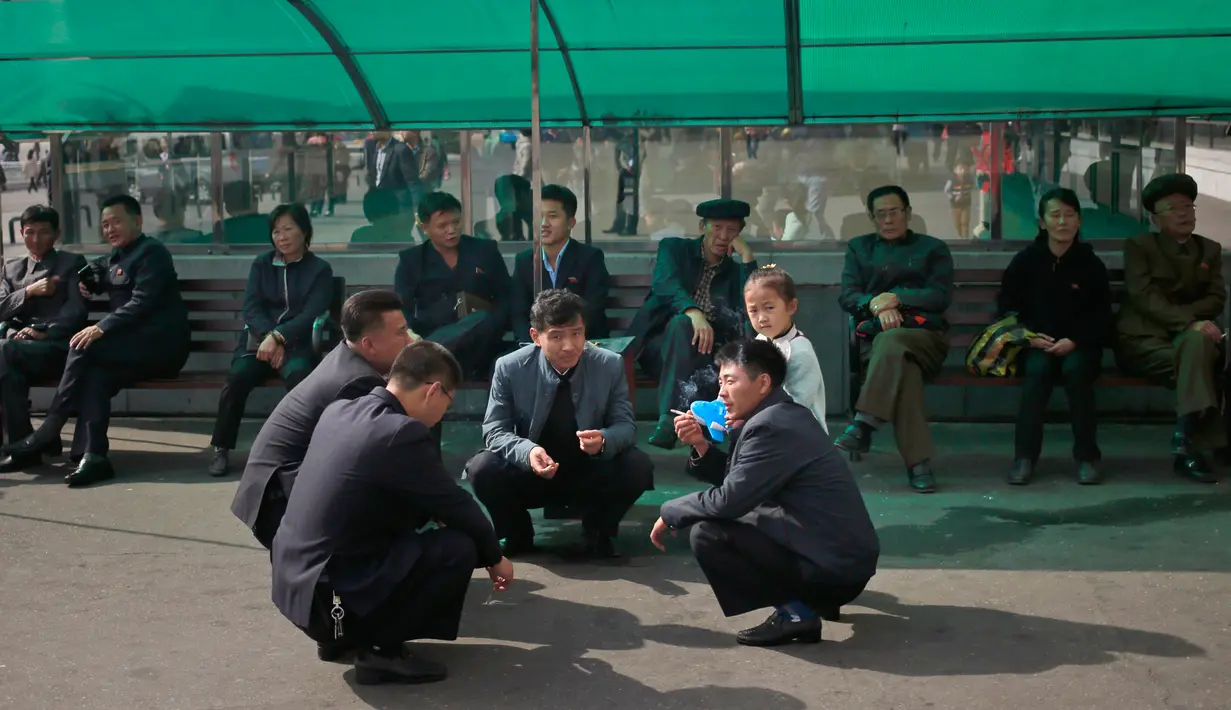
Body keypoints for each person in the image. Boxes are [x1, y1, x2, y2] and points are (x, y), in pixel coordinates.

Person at [272, 340, 513, 685]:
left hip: (296, 591)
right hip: (327, 602)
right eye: (448, 401)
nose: (444, 412)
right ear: (433, 391)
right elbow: (458, 504)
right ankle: (380, 651)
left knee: (402, 532)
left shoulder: (341, 409)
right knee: (458, 548)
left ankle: (340, 638)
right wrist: (496, 558)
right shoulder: (402, 432)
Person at [650, 340, 879, 647]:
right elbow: (745, 483)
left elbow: (731, 499)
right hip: (842, 562)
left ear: (763, 383)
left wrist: (670, 511)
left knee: (709, 534)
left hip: (833, 570)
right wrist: (703, 446)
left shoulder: (770, 425)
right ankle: (809, 602)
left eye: (731, 381)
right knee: (733, 515)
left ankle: (796, 614)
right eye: (720, 381)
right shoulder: (783, 415)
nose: (721, 392)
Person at [2, 195, 191, 486]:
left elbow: (142, 302)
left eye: (117, 221)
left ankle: (50, 429)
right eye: (105, 224)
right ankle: (91, 456)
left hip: (160, 347)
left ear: (137, 221)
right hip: (130, 348)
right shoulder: (115, 256)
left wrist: (100, 328)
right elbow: (92, 274)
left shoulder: (152, 253)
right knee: (95, 375)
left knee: (85, 344)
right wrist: (84, 281)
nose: (110, 229)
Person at [466, 290, 654, 559]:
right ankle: (517, 532)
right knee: (481, 468)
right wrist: (527, 452)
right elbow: (494, 430)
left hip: (589, 470)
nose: (569, 345)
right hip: (532, 471)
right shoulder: (510, 367)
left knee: (638, 466)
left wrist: (603, 440)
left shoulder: (608, 364)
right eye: (556, 336)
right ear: (535, 337)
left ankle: (599, 530)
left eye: (577, 333)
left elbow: (626, 426)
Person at [230, 289, 414, 553]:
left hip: (275, 492)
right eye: (401, 332)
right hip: (278, 504)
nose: (409, 341)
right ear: (369, 344)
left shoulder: (344, 355)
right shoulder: (360, 382)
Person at [834, 185, 953, 493]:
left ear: (908, 213)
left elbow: (939, 296)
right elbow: (848, 295)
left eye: (895, 212)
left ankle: (864, 423)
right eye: (881, 214)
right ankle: (919, 465)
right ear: (872, 218)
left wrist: (896, 298)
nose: (888, 220)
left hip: (926, 339)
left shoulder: (932, 249)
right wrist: (874, 304)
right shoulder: (860, 248)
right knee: (903, 369)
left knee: (894, 342)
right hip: (877, 343)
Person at [209, 204, 335, 477]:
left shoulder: (319, 270)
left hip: (297, 344)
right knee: (237, 378)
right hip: (258, 343)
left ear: (305, 231)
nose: (282, 236)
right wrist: (268, 337)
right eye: (276, 231)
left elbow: (312, 312)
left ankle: (299, 450)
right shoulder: (262, 264)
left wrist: (280, 337)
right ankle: (221, 446)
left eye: (288, 229)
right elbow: (251, 309)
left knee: (300, 380)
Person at [1114, 173, 1225, 482]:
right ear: (1154, 217)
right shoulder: (1139, 246)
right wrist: (1192, 321)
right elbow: (1144, 296)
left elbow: (1217, 297)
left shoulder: (1209, 250)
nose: (1184, 213)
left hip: (1189, 344)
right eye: (1173, 208)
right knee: (1200, 349)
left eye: (1189, 206)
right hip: (1144, 345)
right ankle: (1205, 441)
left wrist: (1193, 327)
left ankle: (1186, 440)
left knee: (1197, 346)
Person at [997, 188, 1112, 486]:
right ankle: (1024, 457)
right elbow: (1006, 307)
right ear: (1042, 222)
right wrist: (1028, 337)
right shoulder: (1026, 261)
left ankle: (1086, 457)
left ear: (1079, 221)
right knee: (1036, 372)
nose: (1063, 222)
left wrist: (1075, 340)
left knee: (1077, 372)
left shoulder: (1090, 265)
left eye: (1070, 215)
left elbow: (1102, 315)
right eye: (1055, 215)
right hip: (1036, 343)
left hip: (1080, 345)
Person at [630, 198, 758, 448]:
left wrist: (747, 257)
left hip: (709, 356)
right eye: (717, 228)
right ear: (703, 227)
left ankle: (681, 422)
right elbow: (664, 283)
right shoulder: (673, 249)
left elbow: (750, 306)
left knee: (721, 359)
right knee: (681, 325)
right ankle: (670, 419)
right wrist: (694, 312)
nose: (723, 236)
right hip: (663, 351)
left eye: (731, 231)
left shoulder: (733, 271)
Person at [0, 206, 87, 469]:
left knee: (2, 355)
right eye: (30, 232)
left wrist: (44, 331)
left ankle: (27, 445)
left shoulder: (71, 264)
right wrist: (28, 292)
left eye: (43, 233)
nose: (36, 239)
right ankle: (33, 442)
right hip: (17, 349)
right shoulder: (12, 268)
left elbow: (76, 312)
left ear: (56, 234)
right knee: (5, 363)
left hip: (58, 348)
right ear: (21, 233)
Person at [393, 191, 511, 379]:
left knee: (479, 318)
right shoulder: (412, 260)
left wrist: (494, 324)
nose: (452, 230)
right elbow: (401, 307)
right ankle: (435, 352)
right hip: (433, 330)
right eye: (443, 226)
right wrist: (414, 333)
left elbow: (506, 295)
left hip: (481, 339)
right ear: (425, 228)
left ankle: (430, 354)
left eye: (456, 222)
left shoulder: (484, 250)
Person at [511, 184, 610, 340]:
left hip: (581, 344)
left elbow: (593, 310)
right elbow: (519, 314)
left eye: (552, 216)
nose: (544, 223)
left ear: (571, 222)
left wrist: (559, 340)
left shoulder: (590, 258)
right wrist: (533, 344)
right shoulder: (524, 261)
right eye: (538, 216)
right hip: (537, 346)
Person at [743, 266, 827, 432]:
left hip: (800, 434)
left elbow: (797, 405)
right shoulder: (760, 341)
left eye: (769, 308)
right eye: (753, 310)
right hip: (767, 423)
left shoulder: (801, 352)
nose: (761, 318)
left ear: (791, 306)